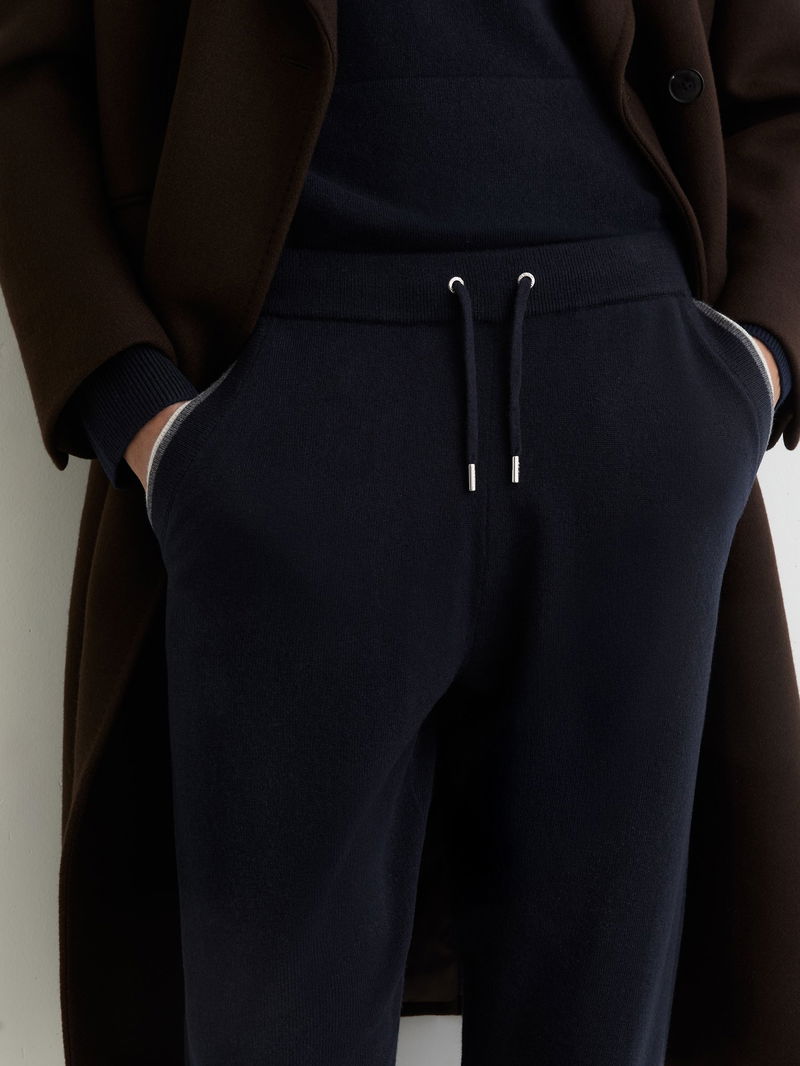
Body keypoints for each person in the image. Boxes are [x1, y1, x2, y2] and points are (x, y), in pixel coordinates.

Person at [1, 2, 798, 1065]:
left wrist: (758, 358)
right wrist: (129, 396)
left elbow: (781, 69)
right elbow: (22, 67)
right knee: (268, 1028)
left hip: (631, 403)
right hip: (283, 403)